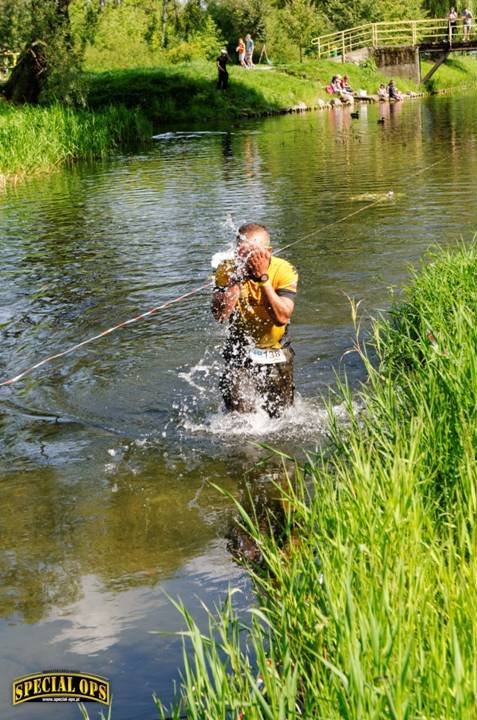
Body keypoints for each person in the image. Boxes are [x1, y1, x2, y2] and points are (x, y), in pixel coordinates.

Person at [212, 222, 298, 417]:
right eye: (244, 252)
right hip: (240, 350)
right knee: (239, 417)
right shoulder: (227, 269)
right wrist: (236, 280)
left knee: (282, 416)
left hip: (276, 349)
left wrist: (263, 278)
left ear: (268, 251)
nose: (249, 258)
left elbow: (282, 317)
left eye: (255, 252)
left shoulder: (285, 269)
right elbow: (220, 316)